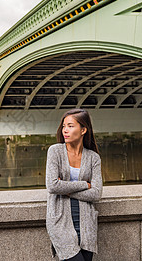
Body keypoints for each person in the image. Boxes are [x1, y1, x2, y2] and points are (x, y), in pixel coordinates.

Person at [46, 109, 102, 261]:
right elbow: (52, 186)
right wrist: (84, 184)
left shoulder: (93, 158)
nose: (65, 130)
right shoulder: (55, 151)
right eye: (64, 126)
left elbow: (96, 194)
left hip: (86, 224)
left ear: (83, 129)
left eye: (70, 126)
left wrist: (66, 190)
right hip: (60, 222)